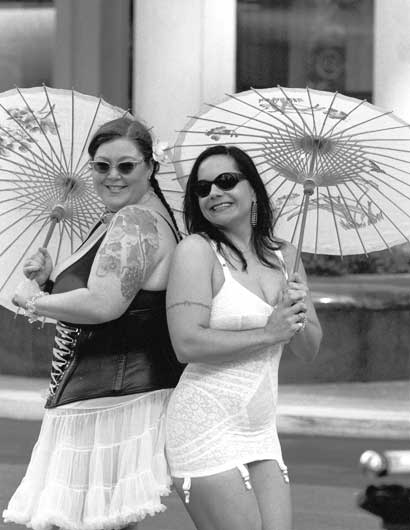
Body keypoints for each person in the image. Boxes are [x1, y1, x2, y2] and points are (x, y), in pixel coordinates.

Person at [3, 117, 185, 530]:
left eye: (126, 166)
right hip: (106, 393)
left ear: (150, 167)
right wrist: (51, 277)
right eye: (101, 166)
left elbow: (104, 305)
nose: (112, 176)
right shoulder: (129, 217)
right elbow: (111, 292)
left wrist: (36, 300)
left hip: (108, 397)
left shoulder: (135, 221)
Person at [165, 145, 322, 530]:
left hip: (260, 429)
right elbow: (186, 345)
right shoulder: (196, 251)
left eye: (226, 181)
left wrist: (296, 314)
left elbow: (309, 349)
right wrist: (269, 332)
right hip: (205, 423)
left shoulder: (286, 255)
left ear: (253, 189)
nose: (214, 193)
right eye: (202, 188)